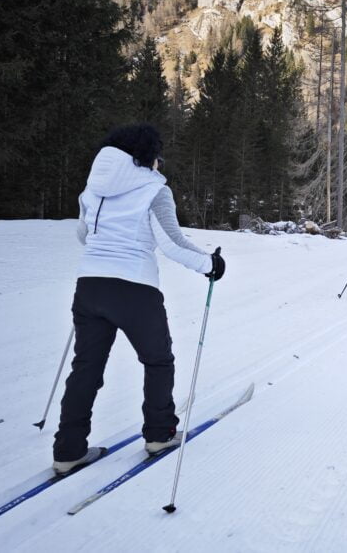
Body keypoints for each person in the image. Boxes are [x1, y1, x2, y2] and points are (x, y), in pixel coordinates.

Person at [52, 123, 226, 475]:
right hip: (135, 288)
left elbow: (85, 234)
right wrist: (211, 264)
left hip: (90, 286)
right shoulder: (154, 191)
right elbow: (171, 243)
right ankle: (160, 434)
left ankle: (67, 451)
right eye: (158, 157)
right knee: (157, 360)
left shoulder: (93, 191)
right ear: (145, 157)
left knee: (86, 368)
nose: (160, 164)